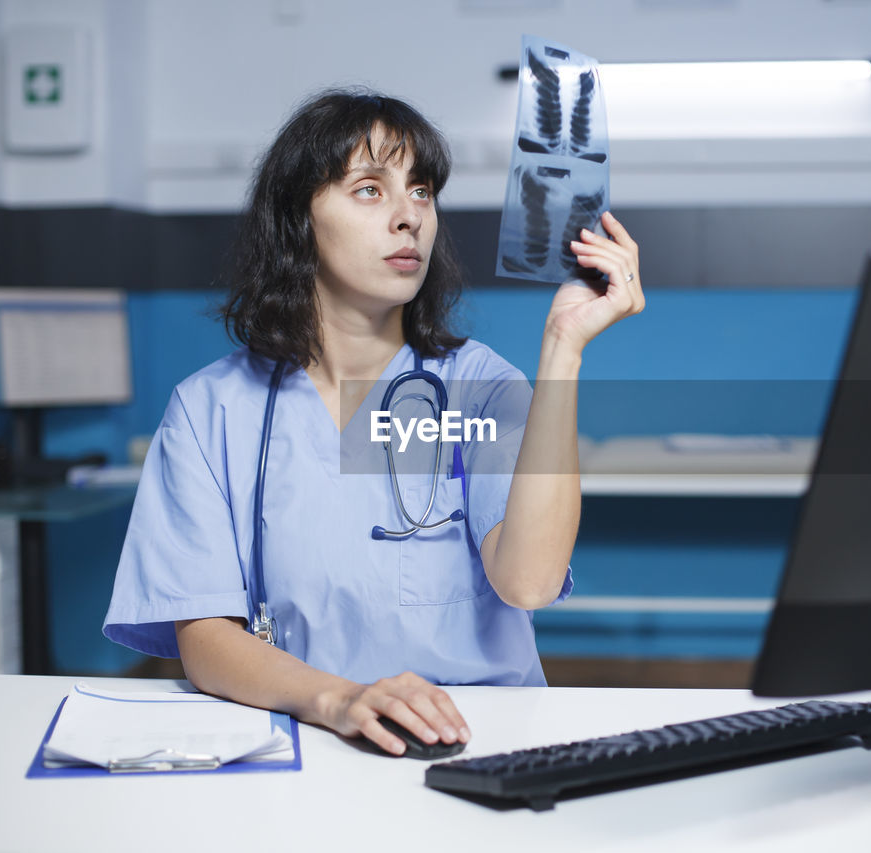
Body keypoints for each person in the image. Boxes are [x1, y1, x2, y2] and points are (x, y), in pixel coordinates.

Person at [103, 89, 644, 757]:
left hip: (478, 738)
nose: (408, 217)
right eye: (369, 189)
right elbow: (206, 639)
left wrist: (565, 346)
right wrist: (340, 699)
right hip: (306, 736)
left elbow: (528, 580)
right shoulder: (210, 411)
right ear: (300, 218)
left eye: (421, 191)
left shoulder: (478, 387)